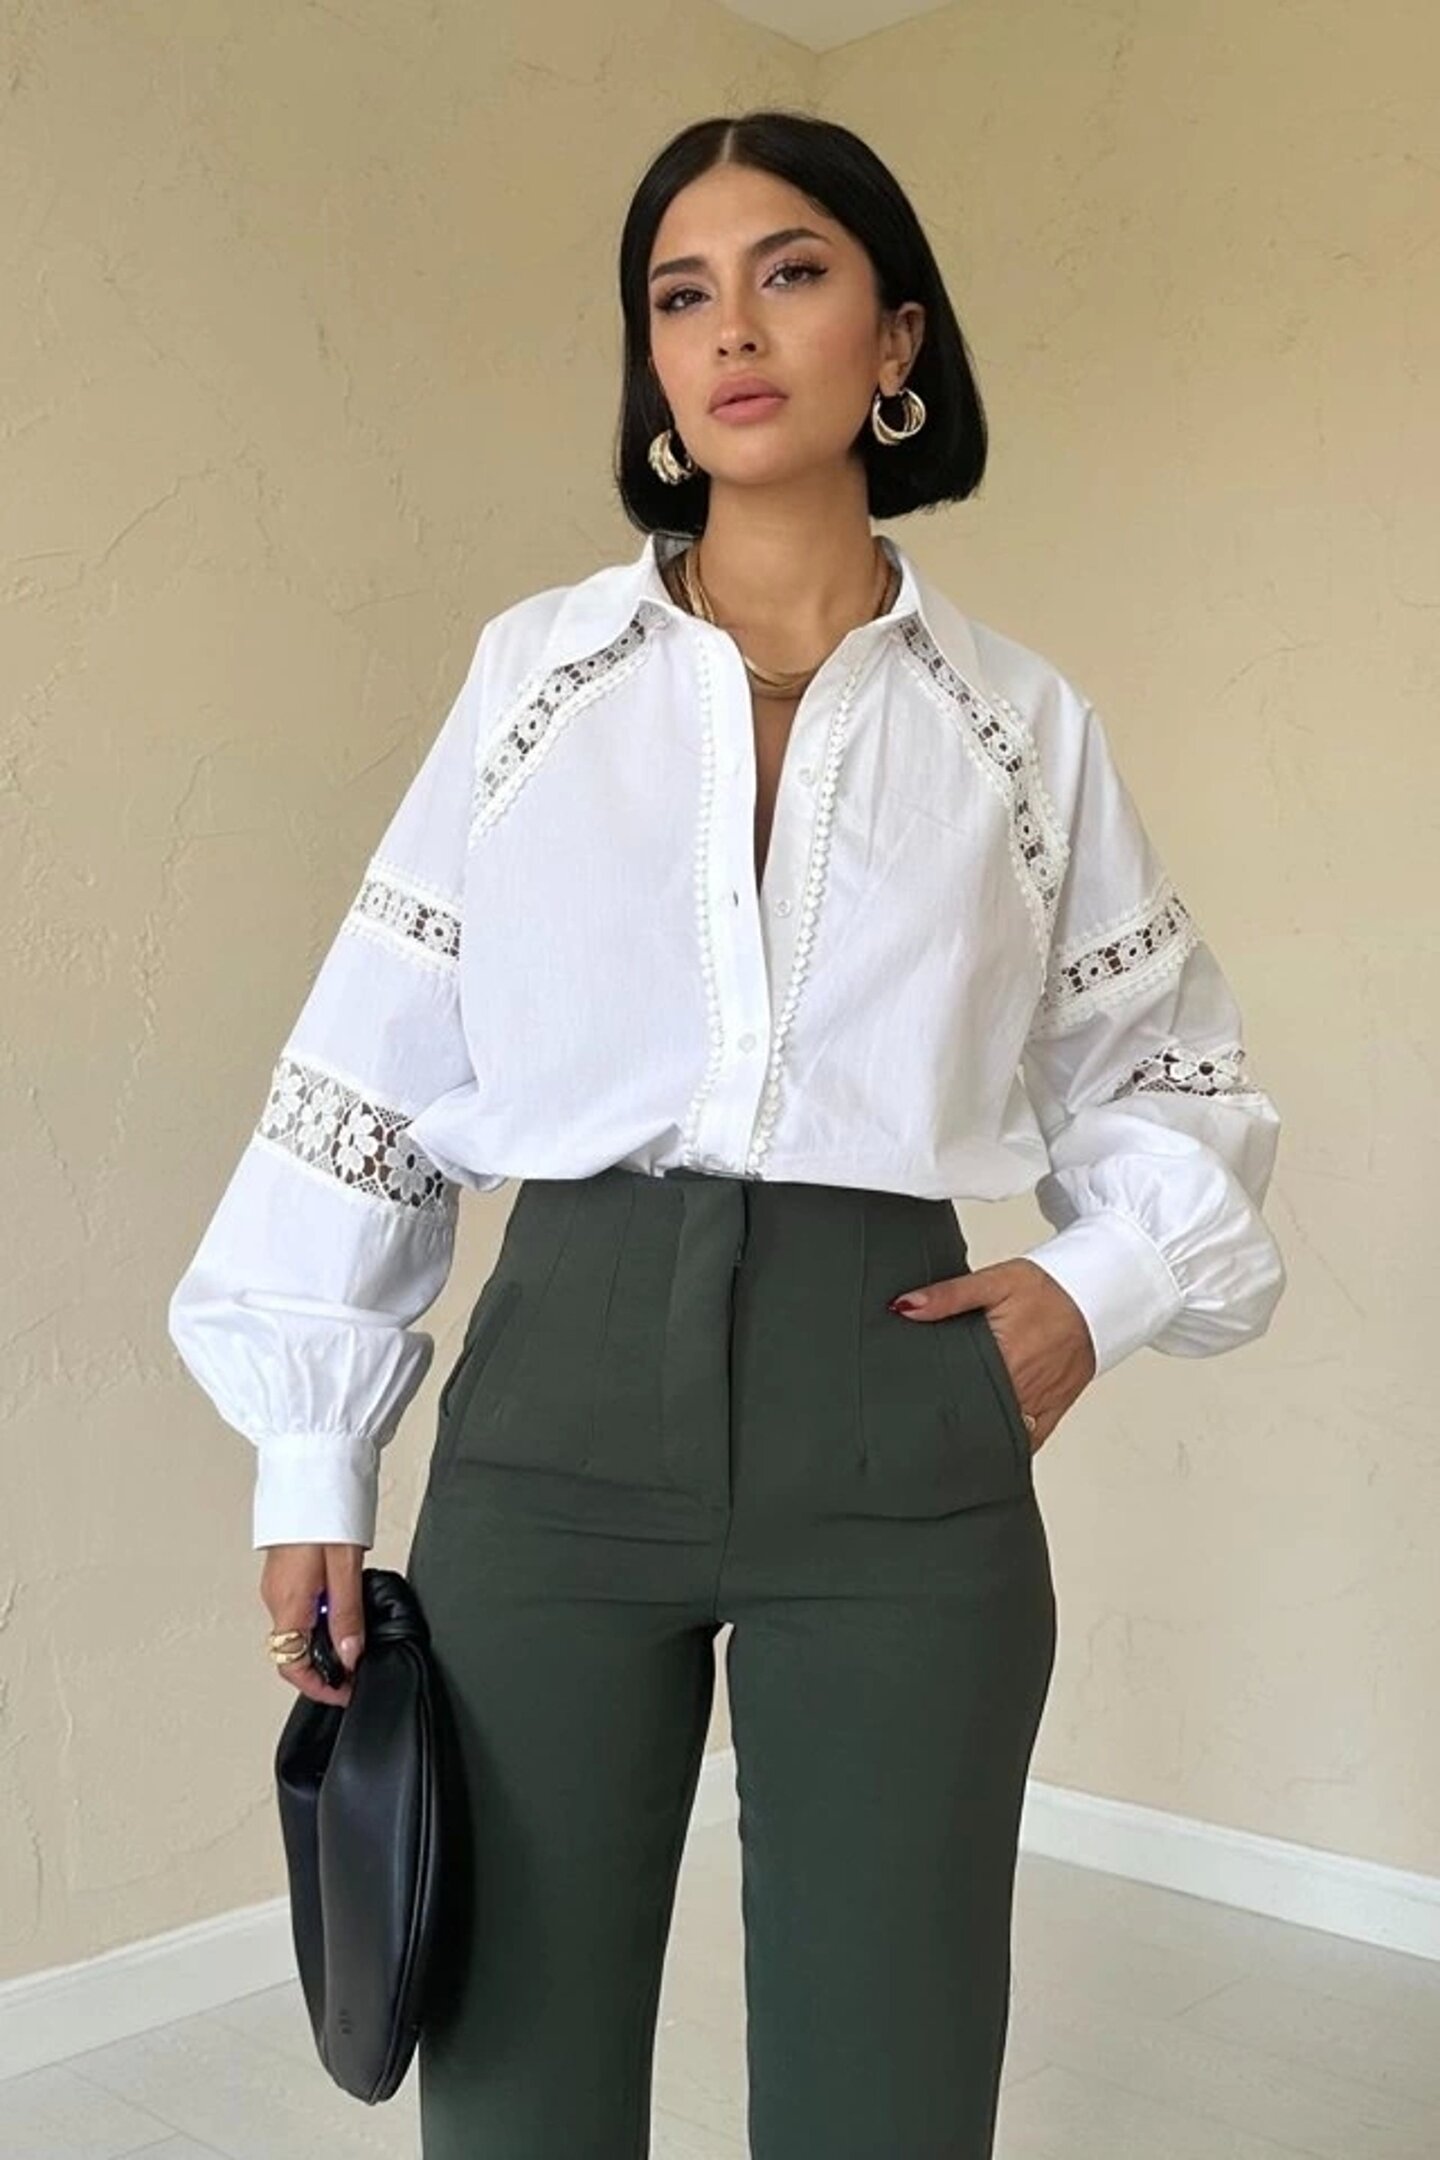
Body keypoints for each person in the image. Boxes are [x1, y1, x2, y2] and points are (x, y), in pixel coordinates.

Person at [168, 108, 1286, 2160]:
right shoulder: (535, 681)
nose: (731, 331)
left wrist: (1100, 1288)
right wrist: (311, 1450)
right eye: (680, 296)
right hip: (558, 1410)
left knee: (890, 2075)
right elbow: (372, 1068)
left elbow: (1175, 1078)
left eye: (791, 273)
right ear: (654, 364)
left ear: (897, 338)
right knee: (514, 2077)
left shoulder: (1020, 727)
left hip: (900, 1408)